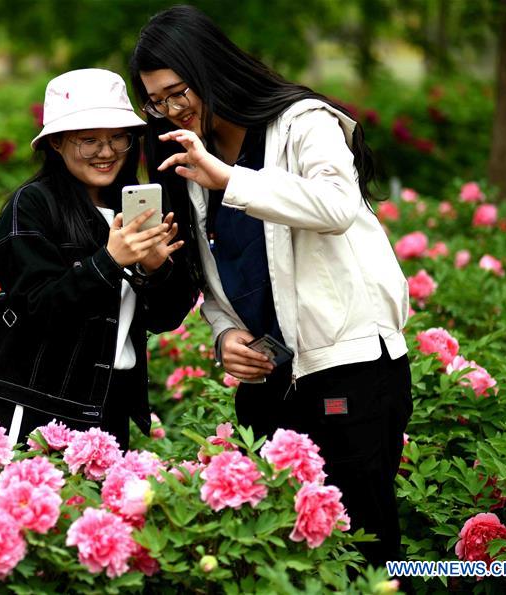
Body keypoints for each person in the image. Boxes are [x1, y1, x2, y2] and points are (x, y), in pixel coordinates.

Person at [130, 6, 413, 566]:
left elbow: (335, 206)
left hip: (348, 367)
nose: (168, 110)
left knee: (367, 546)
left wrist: (229, 178)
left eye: (177, 92)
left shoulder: (303, 123)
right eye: (156, 101)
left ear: (210, 67)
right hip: (270, 381)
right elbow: (215, 274)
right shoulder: (186, 153)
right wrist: (224, 336)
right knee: (284, 549)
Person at [0, 68, 198, 450]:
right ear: (56, 143)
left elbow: (166, 317)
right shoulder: (33, 205)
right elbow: (37, 309)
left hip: (110, 402)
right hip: (36, 402)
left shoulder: (136, 206)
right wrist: (109, 260)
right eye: (88, 141)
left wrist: (154, 270)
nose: (106, 153)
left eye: (118, 138)